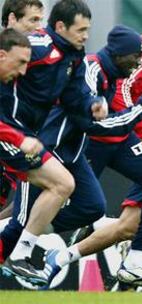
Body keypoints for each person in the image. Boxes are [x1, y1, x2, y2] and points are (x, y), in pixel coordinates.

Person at [40, 13, 142, 291]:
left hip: (123, 135)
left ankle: (135, 263)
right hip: (98, 136)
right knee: (85, 207)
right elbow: (123, 93)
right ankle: (28, 234)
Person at [0, 25, 142, 288]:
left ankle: (30, 236)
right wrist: (141, 110)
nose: (137, 61)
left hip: (70, 153)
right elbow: (92, 123)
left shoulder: (95, 71)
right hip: (45, 148)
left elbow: (90, 114)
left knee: (91, 207)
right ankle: (22, 240)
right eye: (134, 55)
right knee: (19, 222)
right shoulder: (86, 68)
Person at [0, 0, 108, 285]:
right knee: (61, 183)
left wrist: (92, 104)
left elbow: (74, 96)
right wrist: (17, 137)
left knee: (63, 186)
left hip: (21, 136)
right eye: (81, 29)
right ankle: (21, 252)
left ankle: (21, 252)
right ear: (60, 26)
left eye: (88, 30)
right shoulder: (37, 46)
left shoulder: (73, 55)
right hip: (12, 134)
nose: (86, 35)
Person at [0, 0, 45, 218]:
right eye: (33, 20)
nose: (39, 27)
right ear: (11, 19)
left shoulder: (37, 55)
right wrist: (19, 139)